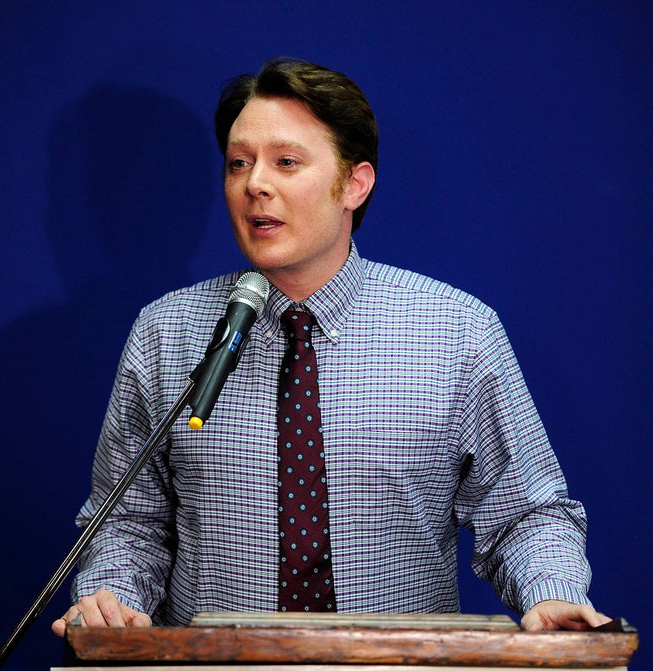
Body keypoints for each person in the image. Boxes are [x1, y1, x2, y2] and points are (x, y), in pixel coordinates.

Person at [52, 57, 609, 639]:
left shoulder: (457, 331)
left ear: (355, 183)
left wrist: (552, 593)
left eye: (286, 162)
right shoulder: (167, 333)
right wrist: (111, 594)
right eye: (238, 164)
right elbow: (128, 523)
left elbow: (526, 514)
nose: (255, 184)